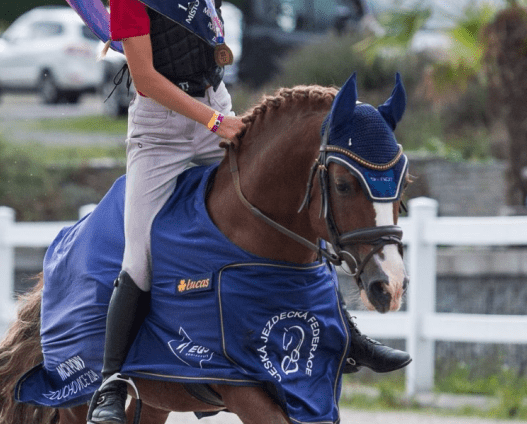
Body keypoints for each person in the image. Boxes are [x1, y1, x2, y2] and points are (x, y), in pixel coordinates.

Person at [88, 1, 411, 423]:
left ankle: (348, 334)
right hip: (161, 131)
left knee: (291, 210)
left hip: (214, 104)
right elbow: (146, 78)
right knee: (139, 256)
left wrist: (216, 115)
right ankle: (112, 384)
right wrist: (213, 123)